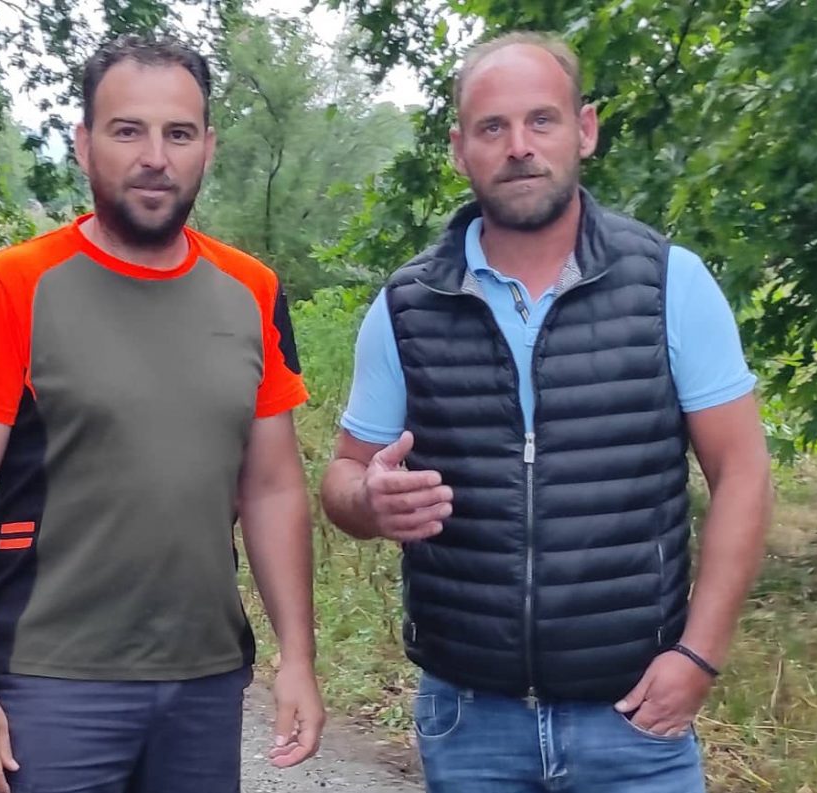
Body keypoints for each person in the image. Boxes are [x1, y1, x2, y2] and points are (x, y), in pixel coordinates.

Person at [320, 31, 771, 793]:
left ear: (584, 130)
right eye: (492, 127)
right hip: (469, 722)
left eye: (541, 120)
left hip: (634, 718)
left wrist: (699, 655)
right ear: (460, 150)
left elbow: (744, 473)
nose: (519, 147)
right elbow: (343, 475)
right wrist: (367, 499)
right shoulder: (407, 305)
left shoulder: (671, 284)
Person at [0, 35, 323, 793]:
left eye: (179, 134)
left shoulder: (252, 291)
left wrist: (297, 657)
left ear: (208, 147)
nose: (155, 158)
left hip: (204, 681)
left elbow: (272, 487)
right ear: (84, 144)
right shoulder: (11, 287)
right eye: (128, 130)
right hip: (47, 679)